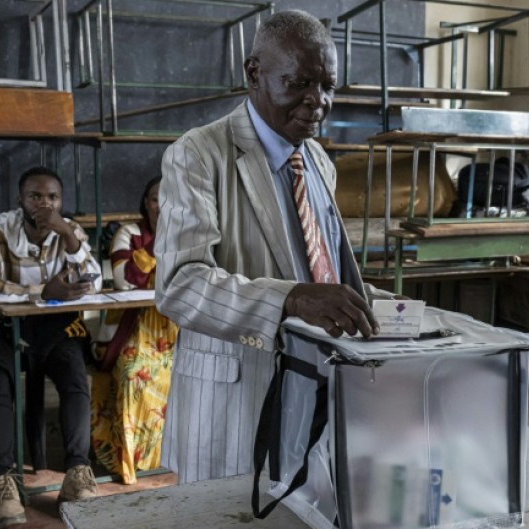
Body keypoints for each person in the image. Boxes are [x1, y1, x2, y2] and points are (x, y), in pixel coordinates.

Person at [155, 9, 397, 484]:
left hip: (317, 388)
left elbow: (320, 269)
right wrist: (290, 297)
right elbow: (180, 285)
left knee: (308, 501)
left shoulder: (318, 161)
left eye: (328, 86)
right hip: (236, 400)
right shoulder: (198, 154)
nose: (317, 102)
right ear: (254, 74)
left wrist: (380, 304)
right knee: (233, 512)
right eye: (300, 83)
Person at [0, 166, 102, 528]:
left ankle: (77, 473)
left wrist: (71, 241)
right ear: (20, 201)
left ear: (61, 201)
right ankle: (3, 481)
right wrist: (40, 292)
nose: (44, 204)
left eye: (53, 197)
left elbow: (96, 282)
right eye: (35, 196)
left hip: (53, 329)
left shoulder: (68, 231)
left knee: (75, 379)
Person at [90, 176, 178, 484]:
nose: (162, 204)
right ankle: (132, 461)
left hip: (175, 330)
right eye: (156, 198)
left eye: (170, 197)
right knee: (134, 374)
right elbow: (125, 281)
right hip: (132, 327)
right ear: (145, 203)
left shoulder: (191, 234)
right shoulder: (129, 234)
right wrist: (163, 237)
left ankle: (173, 458)